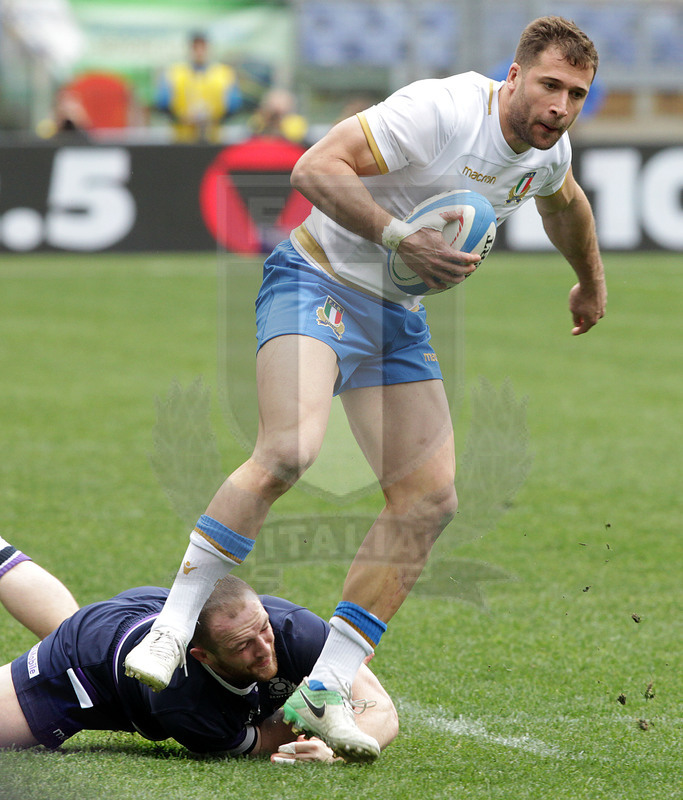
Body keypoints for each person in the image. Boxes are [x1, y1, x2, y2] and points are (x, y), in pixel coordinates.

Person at [125, 15, 607, 761]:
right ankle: (173, 624)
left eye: (575, 93)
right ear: (512, 76)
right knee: (289, 450)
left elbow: (565, 203)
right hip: (314, 279)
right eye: (548, 85)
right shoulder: (440, 110)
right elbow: (313, 169)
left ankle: (324, 690)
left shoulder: (546, 152)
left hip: (393, 317)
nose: (559, 106)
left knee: (429, 500)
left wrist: (588, 282)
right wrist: (397, 236)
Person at [0, 540, 397, 762]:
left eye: (262, 629)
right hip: (84, 664)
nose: (263, 649)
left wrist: (338, 748)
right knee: (69, 631)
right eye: (243, 646)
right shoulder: (181, 699)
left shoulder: (293, 630)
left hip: (150, 614)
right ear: (202, 656)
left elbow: (380, 708)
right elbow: (258, 741)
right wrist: (314, 726)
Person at [155, 31, 242, 143]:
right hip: (181, 139)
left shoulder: (224, 73)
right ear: (189, 48)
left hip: (214, 139)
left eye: (203, 47)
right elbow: (162, 105)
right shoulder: (173, 73)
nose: (199, 51)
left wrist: (213, 118)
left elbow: (234, 107)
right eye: (195, 47)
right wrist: (183, 118)